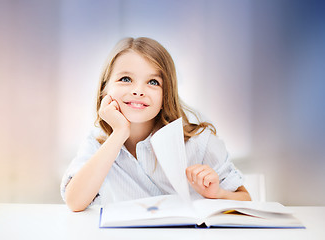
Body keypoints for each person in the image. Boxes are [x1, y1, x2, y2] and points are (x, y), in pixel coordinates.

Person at [61, 37, 251, 212]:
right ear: (105, 89)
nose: (138, 91)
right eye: (125, 79)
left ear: (165, 95)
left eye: (153, 82)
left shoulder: (198, 143)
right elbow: (74, 202)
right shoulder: (98, 143)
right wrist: (119, 132)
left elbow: (246, 200)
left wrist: (217, 194)